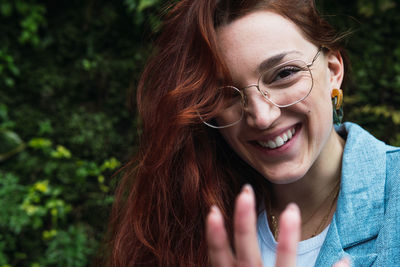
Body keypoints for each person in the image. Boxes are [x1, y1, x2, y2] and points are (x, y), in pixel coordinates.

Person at [104, 0, 400, 266]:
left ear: (334, 70)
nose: (261, 116)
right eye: (226, 93)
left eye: (284, 74)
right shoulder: (188, 217)